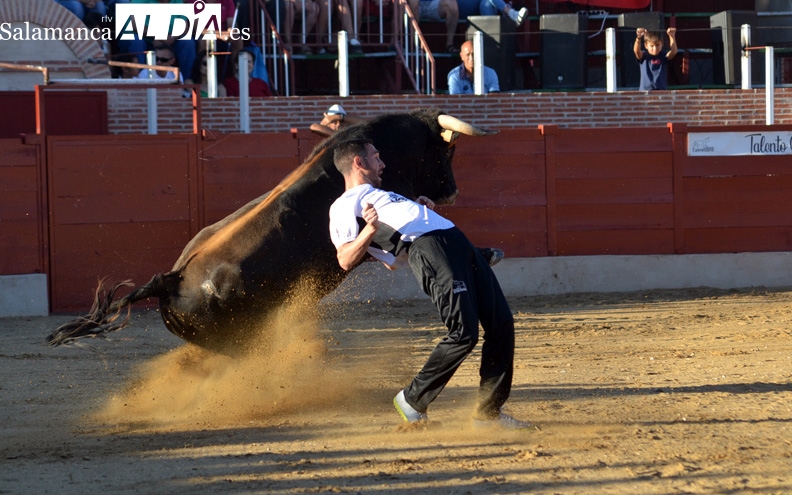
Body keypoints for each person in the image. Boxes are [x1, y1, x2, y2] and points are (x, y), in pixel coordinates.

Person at [328, 139, 529, 429]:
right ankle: (412, 399)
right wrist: (371, 230)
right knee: (463, 333)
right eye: (375, 156)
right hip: (432, 251)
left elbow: (392, 253)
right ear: (358, 163)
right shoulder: (346, 204)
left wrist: (420, 210)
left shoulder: (384, 195)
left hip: (457, 245)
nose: (382, 163)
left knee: (502, 325)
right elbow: (345, 258)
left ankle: (489, 415)